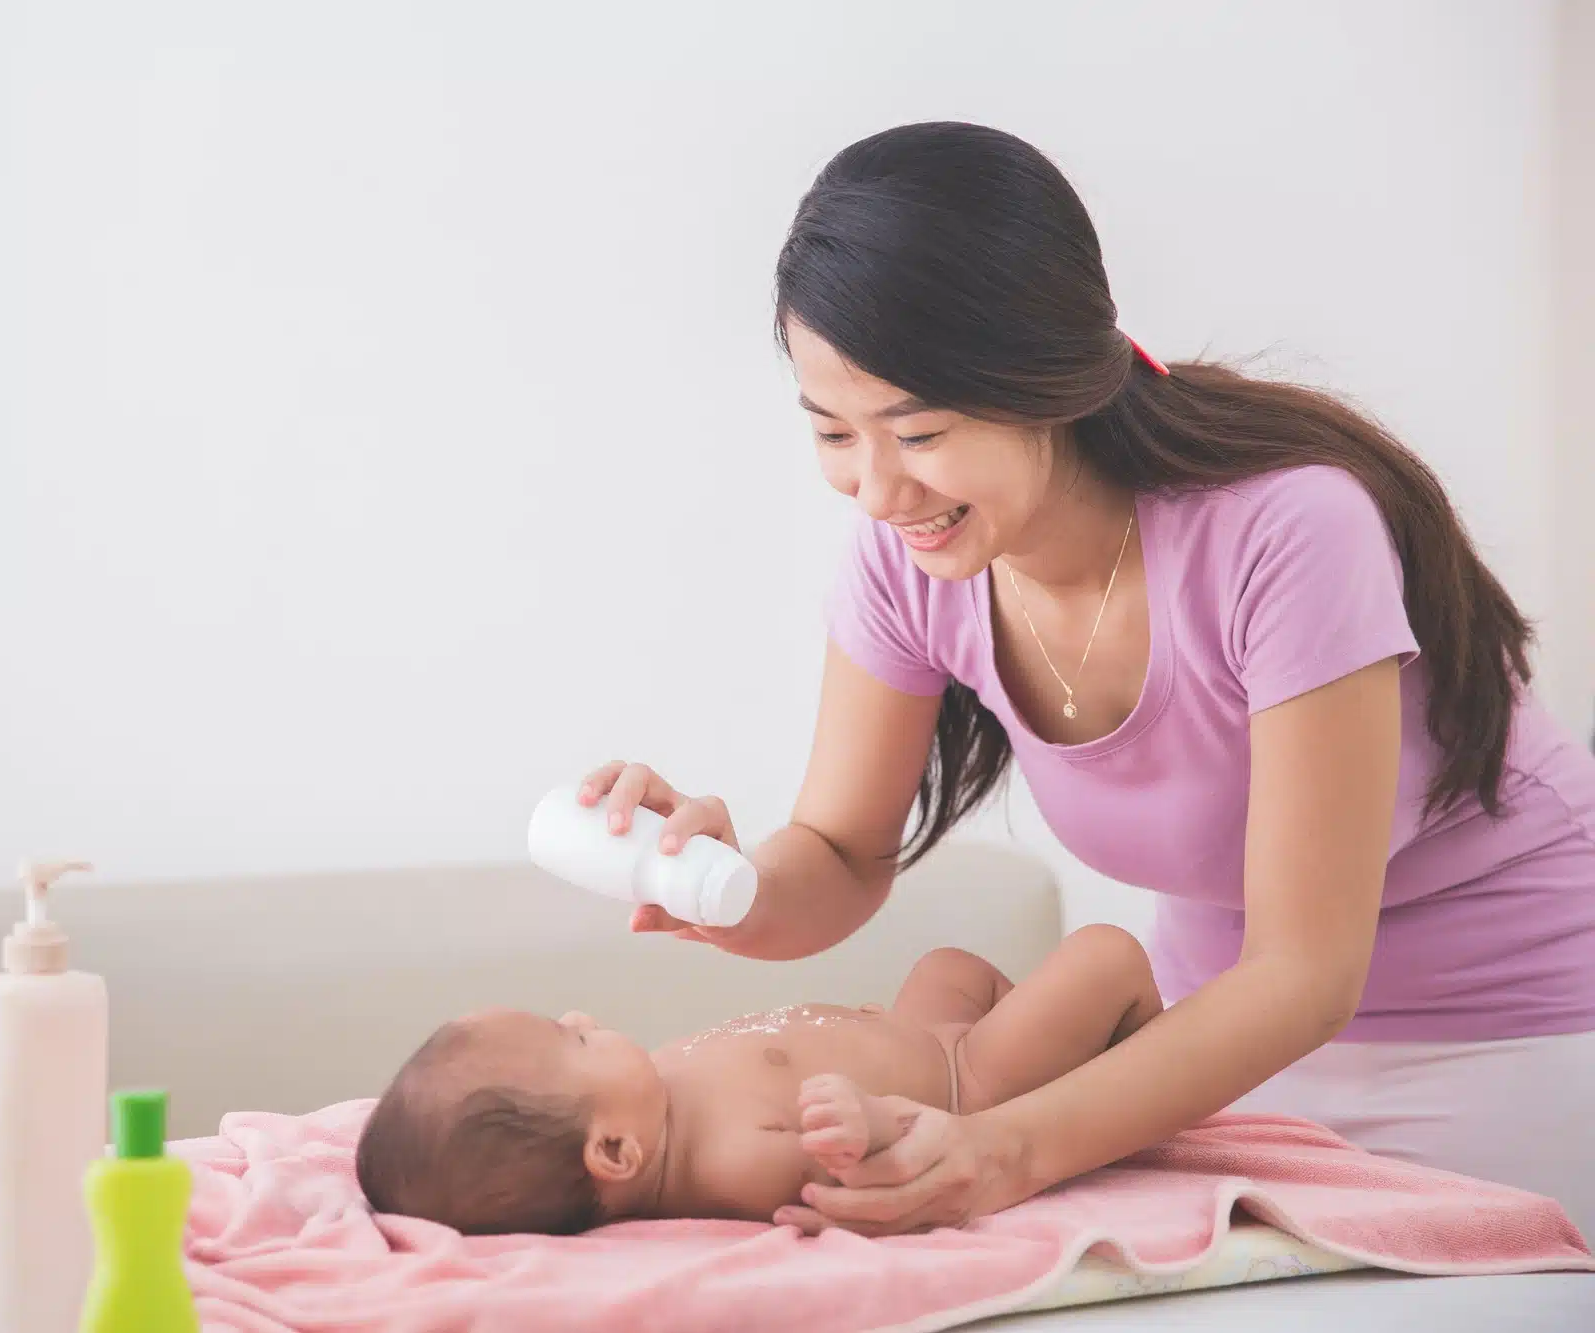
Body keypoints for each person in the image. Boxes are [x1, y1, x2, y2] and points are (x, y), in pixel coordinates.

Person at [583, 121, 1595, 1237]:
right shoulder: (908, 563)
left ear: (1046, 380)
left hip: (1508, 1033)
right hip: (1206, 1058)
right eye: (832, 433)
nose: (874, 489)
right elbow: (838, 850)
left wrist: (998, 1151)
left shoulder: (1285, 531)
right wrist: (722, 886)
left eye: (917, 432)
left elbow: (1305, 972)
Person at [354, 926, 1160, 1234]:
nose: (579, 1015)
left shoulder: (654, 1098)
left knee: (948, 963)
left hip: (921, 1024)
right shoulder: (731, 1164)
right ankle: (1137, 1094)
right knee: (1107, 954)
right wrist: (869, 1122)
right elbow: (867, 1185)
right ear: (613, 1150)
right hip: (967, 1081)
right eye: (572, 1040)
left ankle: (1079, 1063)